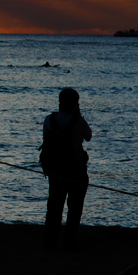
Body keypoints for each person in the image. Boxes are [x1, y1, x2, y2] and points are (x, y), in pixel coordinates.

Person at [42, 87, 92, 251]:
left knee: (54, 207)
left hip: (55, 169)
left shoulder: (49, 120)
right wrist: (78, 116)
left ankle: (50, 241)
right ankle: (69, 241)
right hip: (75, 170)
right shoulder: (79, 122)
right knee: (75, 207)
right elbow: (88, 136)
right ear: (76, 103)